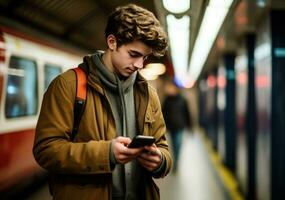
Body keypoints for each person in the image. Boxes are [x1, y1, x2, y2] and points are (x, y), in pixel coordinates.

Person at [33, 4, 172, 200]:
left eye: (145, 57)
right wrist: (105, 153)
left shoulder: (148, 93)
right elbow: (45, 150)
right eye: (134, 55)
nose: (140, 65)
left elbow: (163, 148)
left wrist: (160, 162)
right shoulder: (68, 86)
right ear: (112, 42)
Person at [162, 80, 191, 172]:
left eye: (171, 87)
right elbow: (162, 114)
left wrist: (190, 126)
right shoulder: (166, 100)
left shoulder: (182, 100)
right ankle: (175, 159)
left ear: (176, 89)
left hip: (180, 126)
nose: (169, 89)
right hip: (170, 126)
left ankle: (176, 161)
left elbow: (187, 113)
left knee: (178, 143)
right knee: (173, 145)